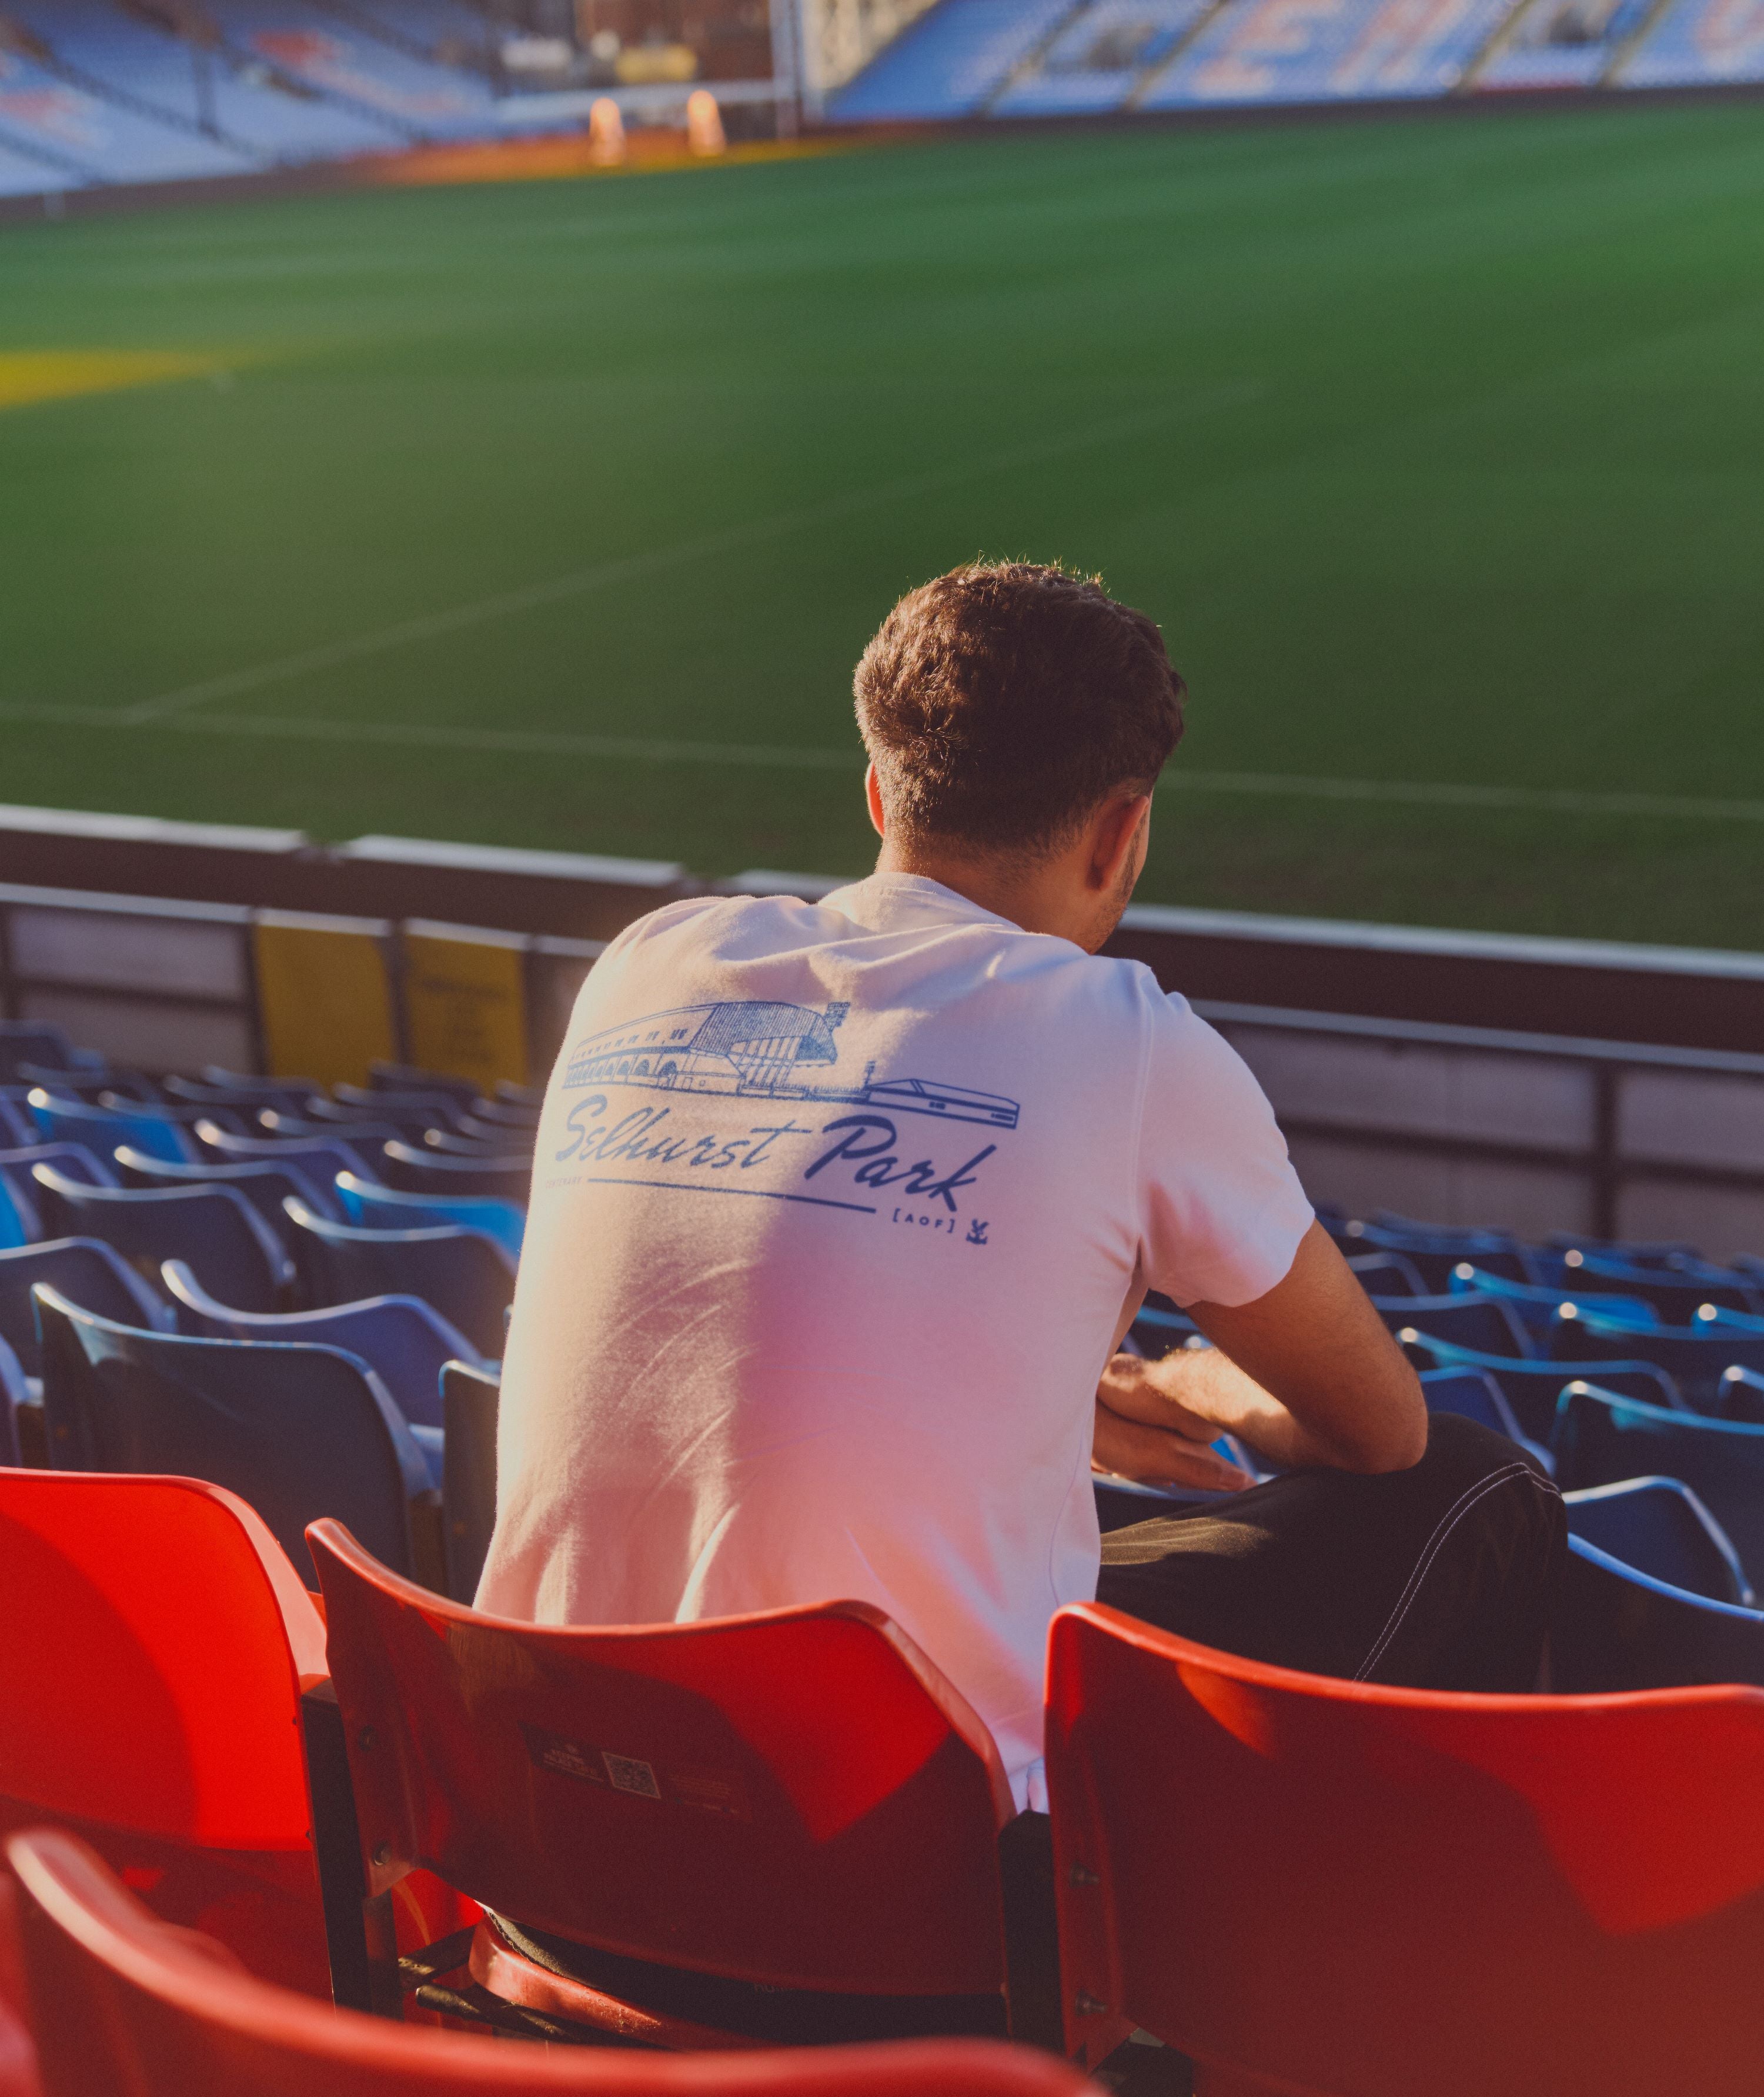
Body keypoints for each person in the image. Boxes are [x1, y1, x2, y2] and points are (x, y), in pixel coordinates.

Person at [479, 560, 1563, 1835]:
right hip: (892, 1886)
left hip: (544, 1824)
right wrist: (1190, 1386)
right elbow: (1381, 1433)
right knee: (1482, 1487)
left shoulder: (648, 962)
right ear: (1124, 834)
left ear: (880, 794)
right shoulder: (1131, 1043)